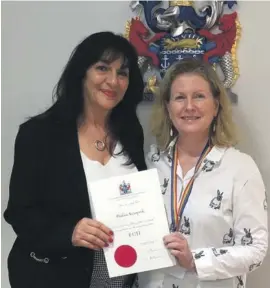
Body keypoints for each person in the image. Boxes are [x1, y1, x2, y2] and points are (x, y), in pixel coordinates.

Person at [4, 31, 147, 288]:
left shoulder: (131, 131)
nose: (113, 81)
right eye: (102, 68)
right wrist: (69, 231)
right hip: (55, 276)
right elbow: (19, 213)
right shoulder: (39, 134)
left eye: (122, 73)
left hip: (117, 275)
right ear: (82, 73)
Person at [136, 58, 268, 288]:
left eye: (199, 96)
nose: (189, 106)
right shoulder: (150, 163)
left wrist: (195, 260)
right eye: (179, 97)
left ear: (216, 106)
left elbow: (255, 249)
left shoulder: (240, 168)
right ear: (168, 107)